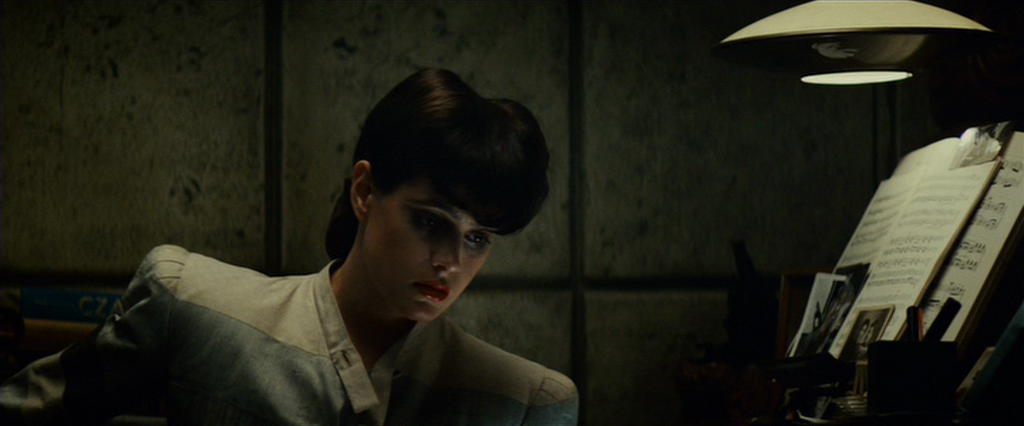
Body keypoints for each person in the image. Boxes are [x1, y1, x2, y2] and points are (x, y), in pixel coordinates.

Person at [0, 68, 578, 425]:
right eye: (430, 222)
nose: (451, 261)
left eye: (478, 238)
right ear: (364, 191)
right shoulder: (196, 305)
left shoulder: (522, 400)